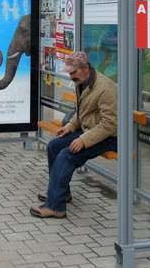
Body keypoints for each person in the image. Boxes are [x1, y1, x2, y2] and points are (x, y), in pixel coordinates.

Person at [30, 51, 118, 219]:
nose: (70, 76)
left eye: (73, 72)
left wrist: (83, 140)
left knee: (66, 155)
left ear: (85, 68)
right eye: (69, 73)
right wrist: (70, 127)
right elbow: (82, 112)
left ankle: (56, 207)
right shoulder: (83, 82)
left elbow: (110, 124)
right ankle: (61, 194)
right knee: (54, 147)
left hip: (109, 138)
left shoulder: (105, 89)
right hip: (90, 131)